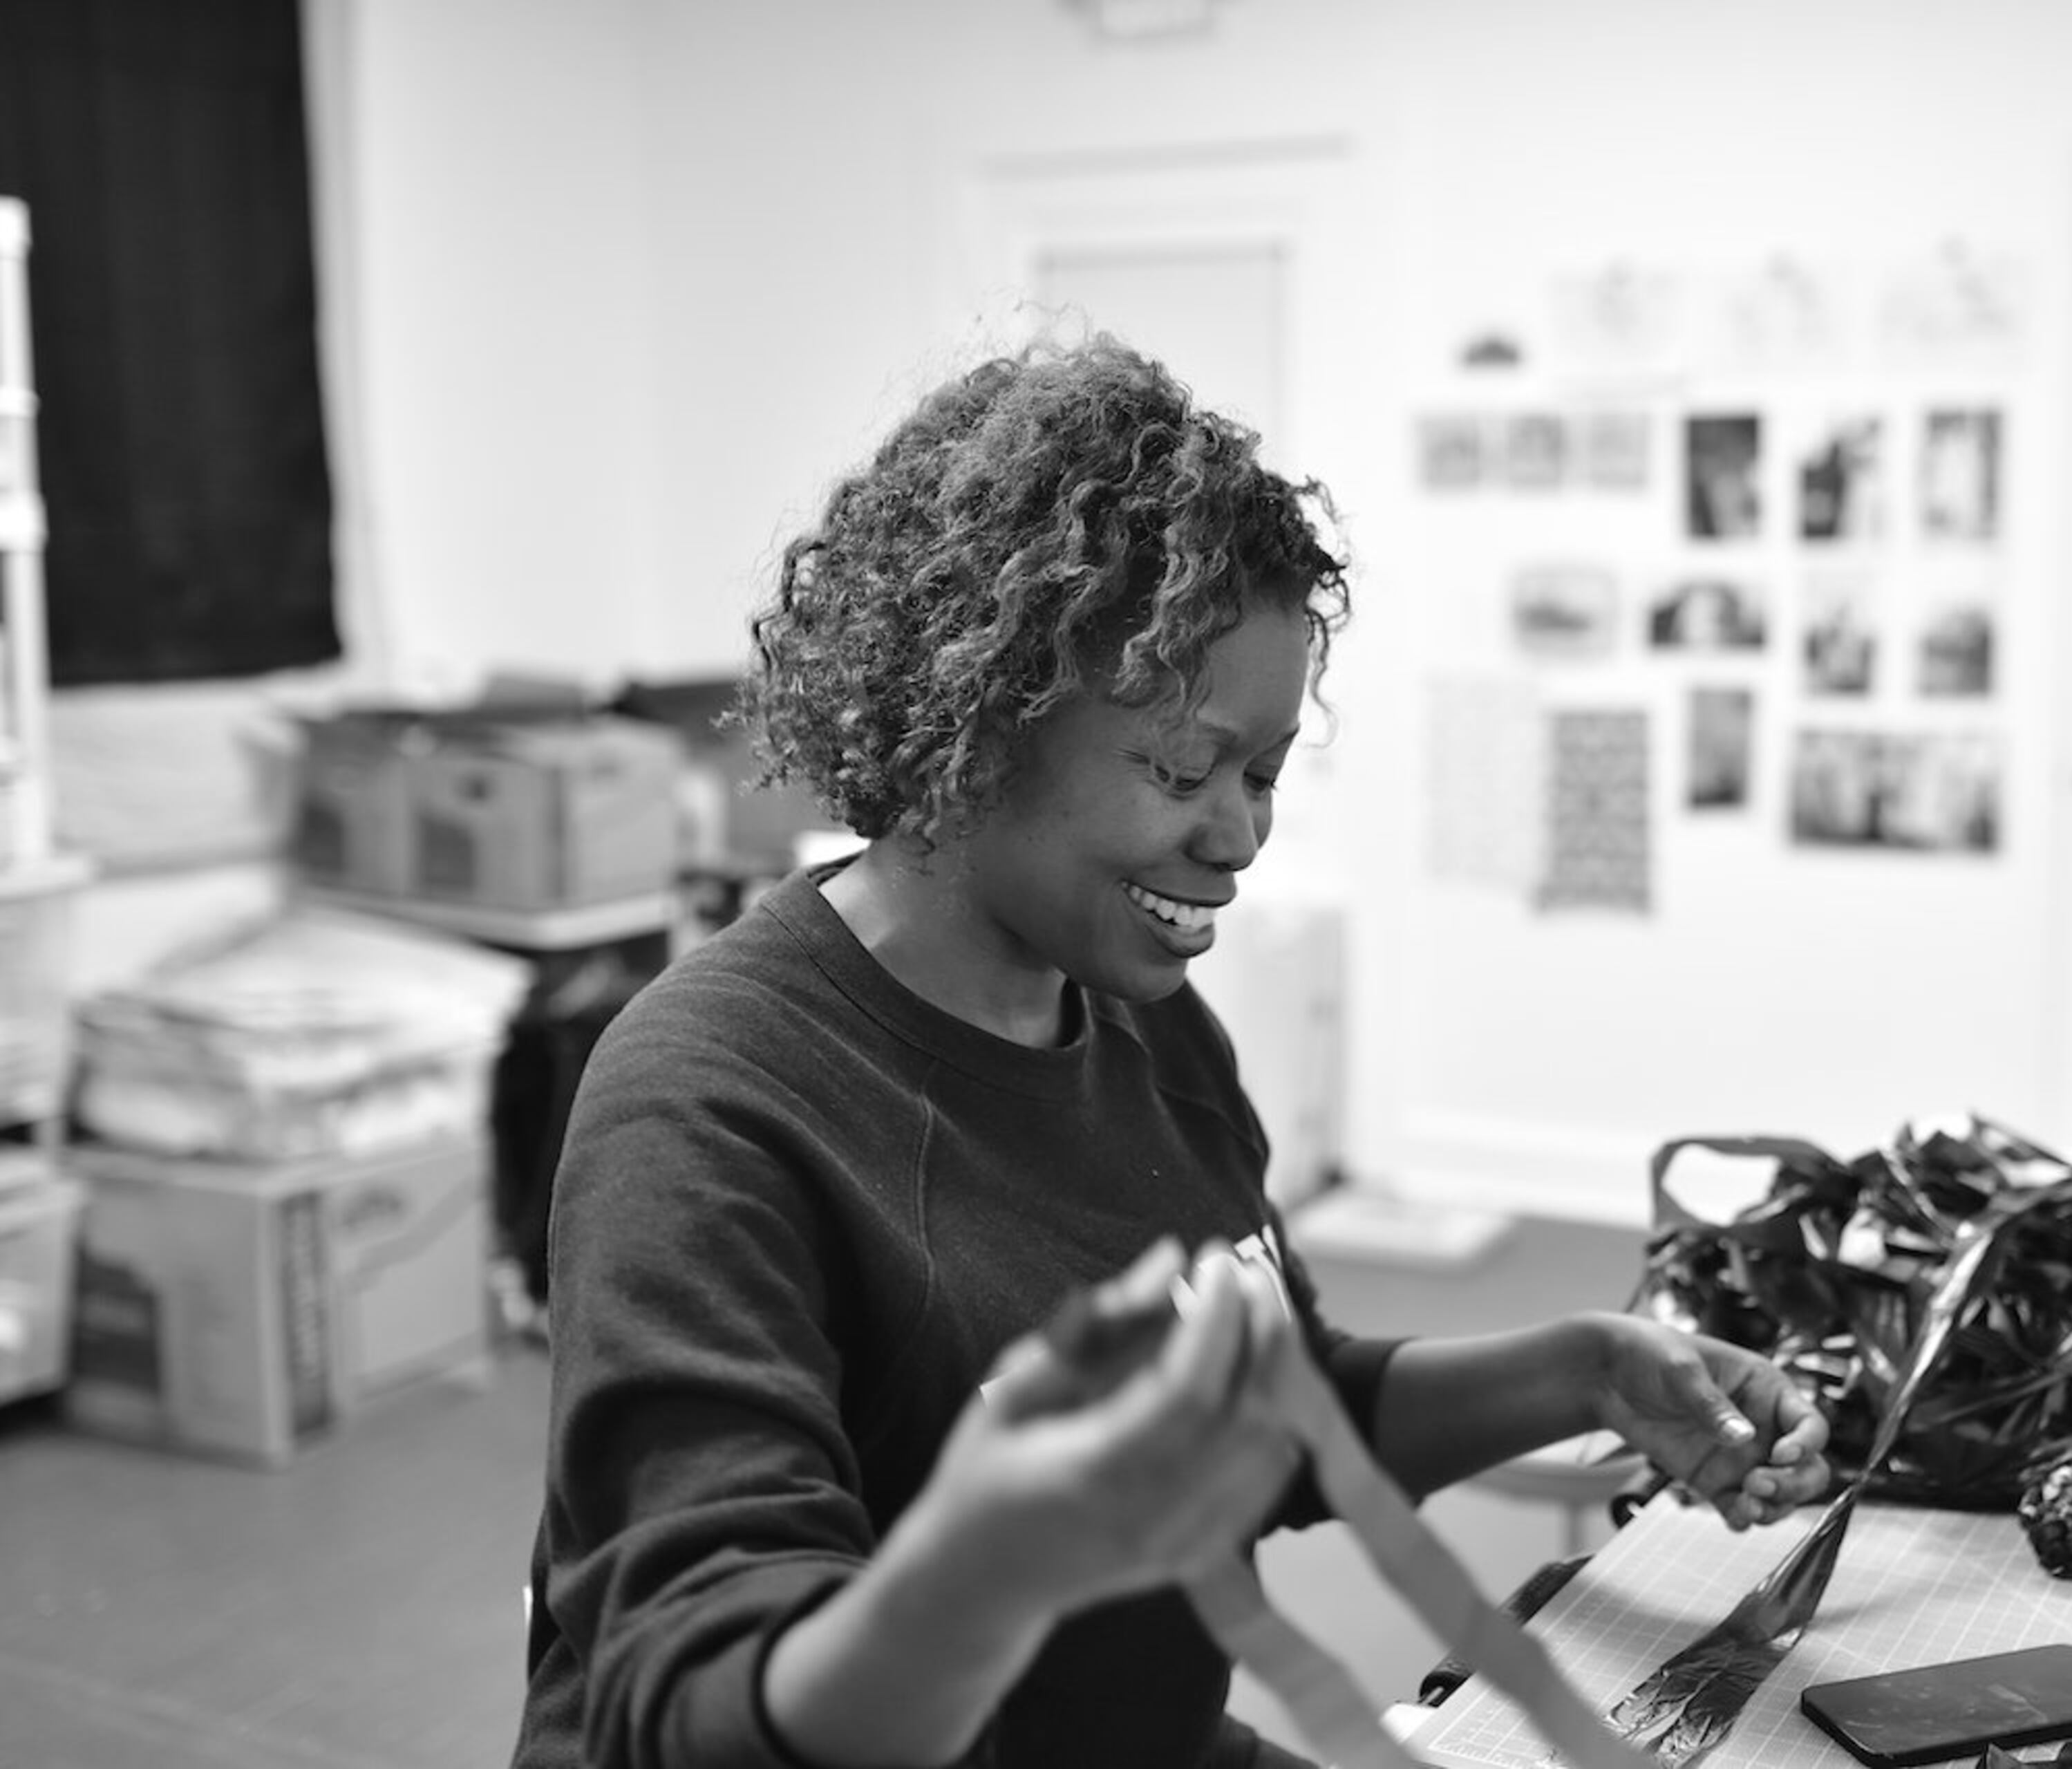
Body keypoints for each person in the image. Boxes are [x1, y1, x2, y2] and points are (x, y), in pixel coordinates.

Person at [512, 333, 1831, 1769]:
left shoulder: (1141, 1016)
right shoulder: (711, 1107)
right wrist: (981, 1563)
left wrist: (1581, 1369)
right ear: (981, 714)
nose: (1241, 834)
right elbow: (699, 1715)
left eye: (1264, 773)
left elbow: (1277, 1402)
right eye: (1183, 767)